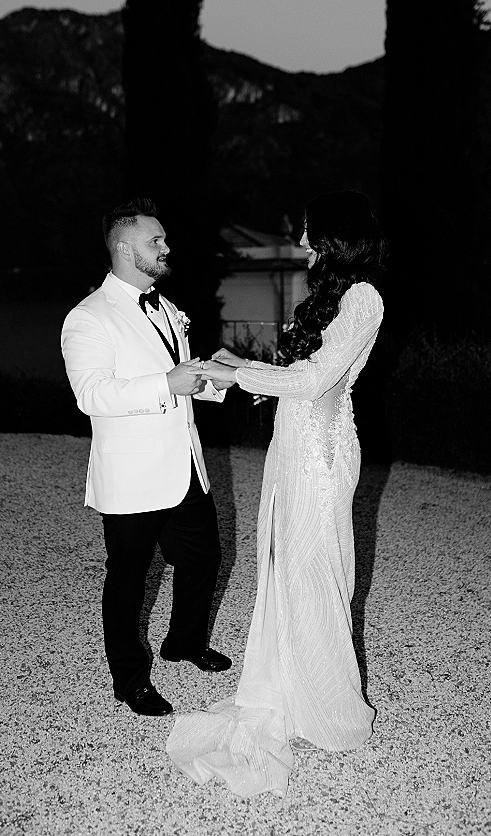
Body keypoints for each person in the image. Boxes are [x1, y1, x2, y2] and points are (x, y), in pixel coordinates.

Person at [167, 190, 386, 796]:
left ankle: (327, 704)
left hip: (321, 455)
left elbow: (318, 380)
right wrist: (243, 365)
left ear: (341, 236)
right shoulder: (330, 296)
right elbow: (299, 377)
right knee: (286, 567)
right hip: (295, 444)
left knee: (316, 569)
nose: (307, 243)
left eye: (314, 232)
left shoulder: (365, 298)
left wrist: (235, 376)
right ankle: (290, 683)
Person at [61, 198, 232, 718]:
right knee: (129, 580)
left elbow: (176, 379)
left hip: (184, 468)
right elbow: (92, 395)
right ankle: (129, 680)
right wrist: (167, 382)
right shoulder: (88, 317)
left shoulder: (166, 307)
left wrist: (211, 380)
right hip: (132, 477)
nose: (166, 247)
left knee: (204, 557)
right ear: (122, 246)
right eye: (155, 240)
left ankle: (184, 642)